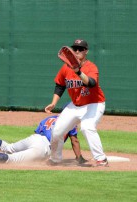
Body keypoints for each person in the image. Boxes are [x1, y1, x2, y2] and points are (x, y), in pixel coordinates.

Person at [45, 39, 108, 167]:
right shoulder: (65, 68)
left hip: (94, 103)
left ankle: (101, 159)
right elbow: (60, 85)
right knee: (57, 131)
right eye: (75, 49)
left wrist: (78, 71)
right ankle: (55, 159)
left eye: (81, 49)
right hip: (75, 105)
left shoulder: (91, 67)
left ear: (86, 51)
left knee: (87, 127)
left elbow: (91, 83)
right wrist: (53, 103)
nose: (77, 51)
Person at [0, 114, 87, 164]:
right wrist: (79, 158)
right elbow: (74, 140)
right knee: (11, 159)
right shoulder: (70, 122)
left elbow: (39, 132)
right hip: (43, 147)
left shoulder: (49, 118)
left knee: (8, 147)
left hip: (36, 138)